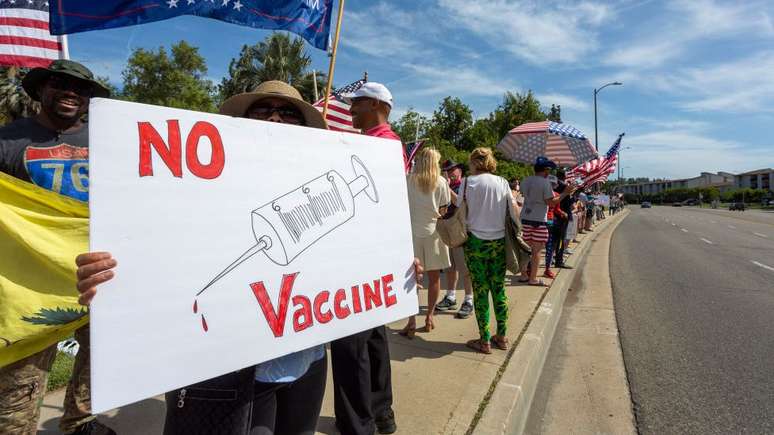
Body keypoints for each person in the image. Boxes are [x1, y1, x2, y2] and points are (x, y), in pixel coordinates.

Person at [74, 81, 329, 435]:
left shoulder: (318, 186)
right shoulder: (191, 183)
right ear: (241, 120)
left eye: (288, 113)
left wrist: (394, 272)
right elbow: (150, 247)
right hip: (233, 368)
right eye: (263, 109)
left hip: (307, 358)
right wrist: (109, 278)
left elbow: (350, 255)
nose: (275, 118)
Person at [0, 60, 115, 435]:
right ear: (40, 90)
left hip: (97, 275)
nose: (71, 92)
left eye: (80, 88)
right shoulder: (8, 140)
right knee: (19, 387)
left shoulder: (109, 142)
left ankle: (80, 425)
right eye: (60, 84)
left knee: (98, 367)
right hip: (32, 284)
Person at [331, 81, 402, 435]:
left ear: (375, 105)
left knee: (350, 345)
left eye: (356, 103)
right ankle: (381, 413)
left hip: (358, 256)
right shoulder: (387, 144)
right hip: (374, 256)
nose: (351, 109)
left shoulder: (376, 146)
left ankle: (358, 423)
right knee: (373, 340)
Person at [458, 147, 518, 354]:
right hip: (499, 242)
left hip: (475, 243)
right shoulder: (502, 182)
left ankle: (484, 340)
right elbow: (514, 211)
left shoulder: (467, 183)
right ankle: (501, 336)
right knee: (499, 289)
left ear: (474, 162)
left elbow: (459, 211)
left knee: (481, 291)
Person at [399, 148, 451, 338]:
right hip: (434, 232)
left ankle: (411, 320)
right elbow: (444, 209)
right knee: (434, 278)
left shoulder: (408, 180)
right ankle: (429, 316)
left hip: (412, 232)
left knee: (411, 279)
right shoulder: (441, 182)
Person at [518, 157, 576, 287]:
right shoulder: (545, 183)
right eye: (548, 170)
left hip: (525, 218)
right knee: (536, 251)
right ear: (545, 170)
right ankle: (532, 278)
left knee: (525, 249)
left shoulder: (526, 180)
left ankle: (523, 275)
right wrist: (565, 193)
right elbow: (551, 202)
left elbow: (522, 194)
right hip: (539, 219)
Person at [435, 159, 474, 319]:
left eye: (452, 169)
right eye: (446, 170)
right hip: (447, 229)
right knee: (450, 266)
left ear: (460, 170)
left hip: (461, 230)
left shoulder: (466, 184)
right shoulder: (446, 184)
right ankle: (451, 296)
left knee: (465, 268)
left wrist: (446, 186)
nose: (450, 172)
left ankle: (469, 300)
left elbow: (460, 203)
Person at [543, 175, 566, 279]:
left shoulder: (553, 194)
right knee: (549, 247)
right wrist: (563, 213)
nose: (551, 186)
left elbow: (557, 209)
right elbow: (557, 209)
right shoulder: (556, 195)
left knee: (540, 247)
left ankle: (542, 268)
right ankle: (546, 269)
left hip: (545, 221)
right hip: (548, 222)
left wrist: (562, 213)